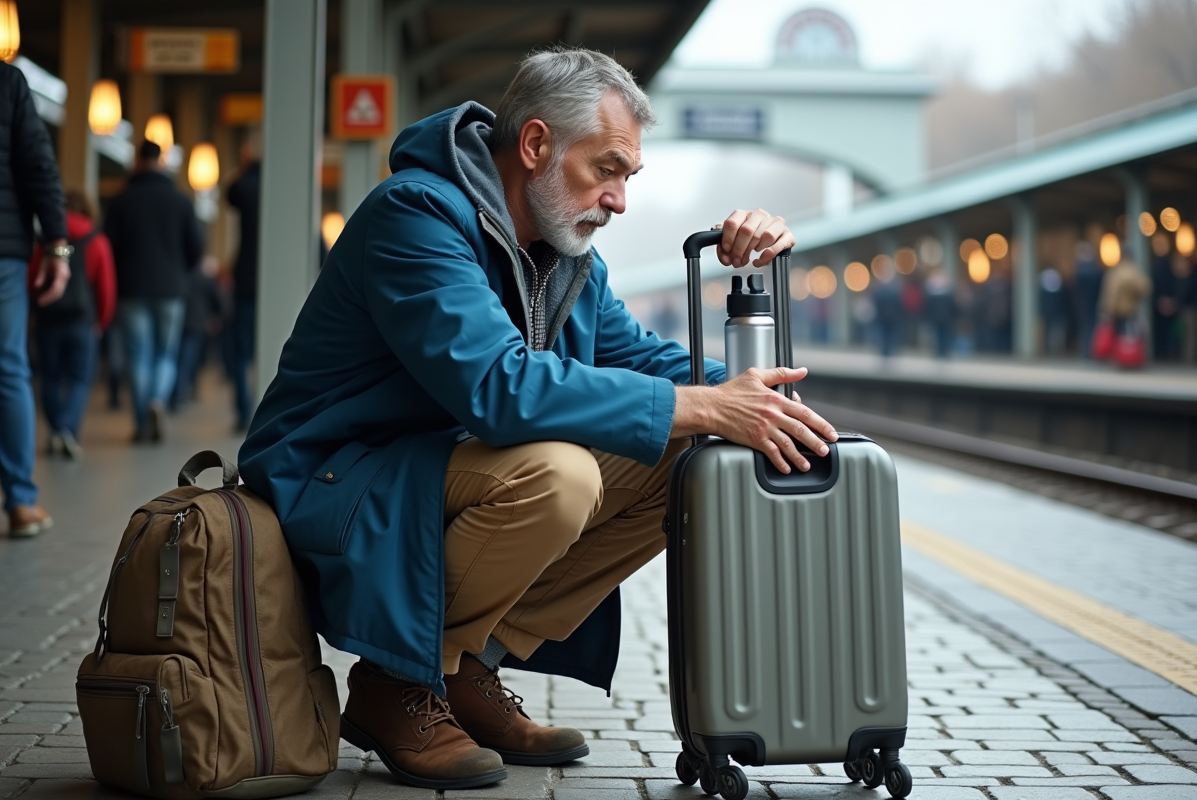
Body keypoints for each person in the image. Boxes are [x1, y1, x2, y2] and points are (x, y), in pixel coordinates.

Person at [238, 48, 834, 791]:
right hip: (333, 477)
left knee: (689, 457)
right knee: (559, 475)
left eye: (627, 177)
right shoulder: (417, 215)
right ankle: (396, 681)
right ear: (535, 145)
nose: (619, 199)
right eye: (607, 169)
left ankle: (463, 666)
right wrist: (709, 405)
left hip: (432, 471)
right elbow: (497, 387)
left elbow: (645, 362)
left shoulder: (564, 254)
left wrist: (755, 399)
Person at [0, 61, 69, 537]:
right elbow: (37, 163)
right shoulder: (7, 83)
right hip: (2, 250)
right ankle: (22, 502)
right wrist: (57, 246)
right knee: (9, 369)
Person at [104, 140, 204, 443]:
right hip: (171, 289)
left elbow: (109, 247)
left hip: (132, 288)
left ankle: (140, 423)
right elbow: (197, 248)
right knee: (165, 354)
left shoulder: (121, 200)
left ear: (137, 160)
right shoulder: (181, 201)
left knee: (138, 356)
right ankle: (158, 400)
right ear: (161, 161)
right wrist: (178, 272)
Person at [28, 190, 116, 459]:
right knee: (80, 378)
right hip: (82, 320)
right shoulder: (95, 239)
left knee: (50, 377)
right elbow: (106, 286)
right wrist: (101, 321)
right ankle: (67, 429)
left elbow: (33, 277)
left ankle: (56, 430)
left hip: (49, 318)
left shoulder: (48, 240)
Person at [226, 138, 260, 430]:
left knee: (241, 351)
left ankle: (243, 411)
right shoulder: (286, 184)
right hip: (279, 283)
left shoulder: (245, 184)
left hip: (246, 278)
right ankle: (268, 410)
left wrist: (243, 165)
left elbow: (230, 194)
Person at [172, 255, 225, 409]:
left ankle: (177, 393)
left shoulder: (183, 275)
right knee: (190, 360)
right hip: (197, 324)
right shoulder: (204, 279)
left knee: (178, 359)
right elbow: (217, 301)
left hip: (180, 322)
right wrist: (216, 316)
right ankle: (181, 394)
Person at [1099, 257, 1151, 338]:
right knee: (1129, 338)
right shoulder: (1134, 271)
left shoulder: (1115, 272)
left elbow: (1111, 293)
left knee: (1119, 338)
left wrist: (1109, 310)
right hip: (1131, 310)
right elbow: (1146, 288)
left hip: (1117, 312)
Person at [1074, 241, 1103, 358]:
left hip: (1083, 305)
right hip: (1094, 303)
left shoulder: (1079, 271)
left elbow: (1076, 291)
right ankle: (1091, 351)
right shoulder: (1096, 270)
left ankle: (1086, 352)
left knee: (1086, 328)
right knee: (1093, 328)